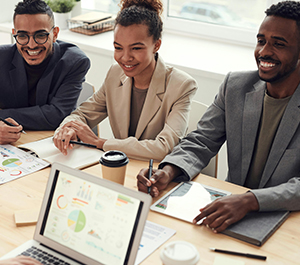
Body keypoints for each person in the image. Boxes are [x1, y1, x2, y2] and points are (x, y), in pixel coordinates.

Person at [137, 0, 300, 233]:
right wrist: (168, 171)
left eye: (279, 44)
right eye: (261, 41)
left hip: (286, 222)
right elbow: (202, 140)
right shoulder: (236, 86)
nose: (264, 52)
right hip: (228, 212)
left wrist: (250, 200)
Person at [53, 0, 197, 161]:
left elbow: (163, 148)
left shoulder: (182, 85)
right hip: (121, 169)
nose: (125, 58)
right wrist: (67, 129)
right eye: (118, 47)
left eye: (136, 48)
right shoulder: (115, 74)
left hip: (156, 176)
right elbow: (82, 114)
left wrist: (99, 142)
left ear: (156, 45)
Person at [0, 0, 90, 144]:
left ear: (54, 34)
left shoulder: (74, 61)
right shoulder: (1, 58)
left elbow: (57, 115)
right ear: (14, 34)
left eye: (40, 35)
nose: (31, 44)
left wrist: (1, 116)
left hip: (53, 145)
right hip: (13, 147)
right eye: (22, 36)